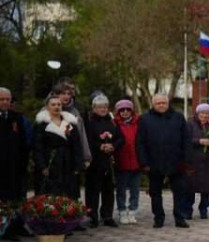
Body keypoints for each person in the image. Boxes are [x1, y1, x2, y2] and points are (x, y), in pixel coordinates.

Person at [136, 93, 191, 228]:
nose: (161, 105)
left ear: (168, 103)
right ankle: (158, 218)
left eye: (163, 103)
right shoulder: (145, 119)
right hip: (154, 162)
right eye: (158, 103)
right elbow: (140, 142)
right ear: (153, 104)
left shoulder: (178, 117)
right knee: (155, 192)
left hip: (176, 162)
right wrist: (144, 162)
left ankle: (180, 217)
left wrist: (186, 160)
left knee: (179, 191)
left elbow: (186, 139)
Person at [84, 94, 124, 228]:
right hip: (94, 161)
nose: (103, 109)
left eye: (105, 107)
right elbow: (87, 140)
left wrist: (113, 146)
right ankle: (92, 216)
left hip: (109, 161)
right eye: (100, 107)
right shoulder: (89, 122)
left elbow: (121, 138)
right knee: (93, 191)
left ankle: (107, 216)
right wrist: (99, 146)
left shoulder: (112, 122)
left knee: (108, 189)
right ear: (94, 108)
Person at [33, 95, 83, 198]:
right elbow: (38, 147)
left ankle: (68, 208)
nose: (56, 107)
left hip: (68, 163)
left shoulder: (70, 123)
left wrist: (78, 165)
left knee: (68, 192)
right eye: (53, 104)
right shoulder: (41, 124)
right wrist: (42, 166)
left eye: (59, 104)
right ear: (47, 107)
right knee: (51, 193)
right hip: (50, 162)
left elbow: (76, 145)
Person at [0, 87, 33, 239]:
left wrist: (23, 162)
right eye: (2, 99)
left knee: (15, 197)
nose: (5, 102)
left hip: (15, 166)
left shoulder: (16, 118)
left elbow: (23, 143)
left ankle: (15, 226)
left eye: (7, 99)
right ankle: (4, 228)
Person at [184, 103, 209, 220]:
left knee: (206, 189)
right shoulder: (190, 124)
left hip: (208, 162)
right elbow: (185, 140)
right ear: (197, 113)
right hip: (193, 161)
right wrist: (199, 141)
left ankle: (203, 209)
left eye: (207, 113)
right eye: (202, 113)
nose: (204, 115)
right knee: (190, 188)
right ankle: (188, 210)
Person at [113, 100, 141, 224]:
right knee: (121, 189)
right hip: (121, 161)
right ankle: (122, 211)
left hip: (136, 161)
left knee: (135, 190)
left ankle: (133, 210)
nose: (125, 112)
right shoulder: (114, 124)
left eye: (127, 110)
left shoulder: (138, 123)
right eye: (122, 110)